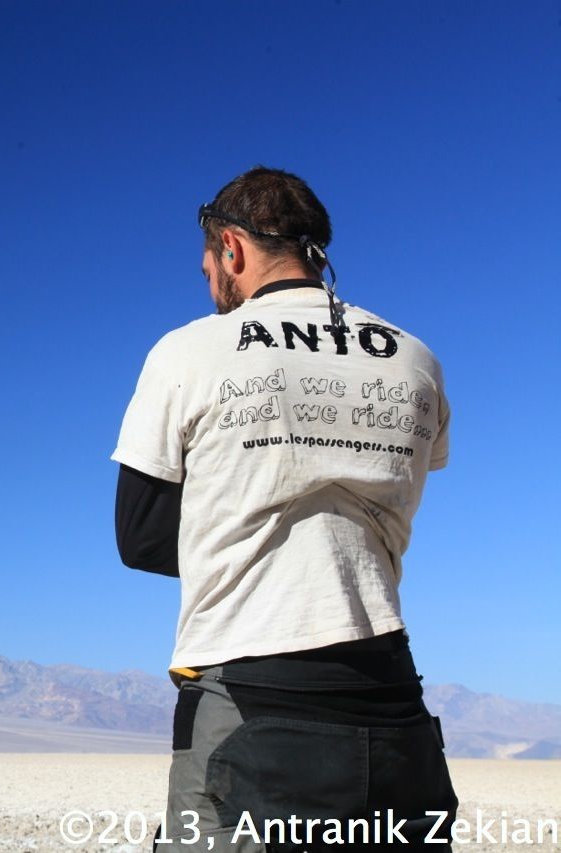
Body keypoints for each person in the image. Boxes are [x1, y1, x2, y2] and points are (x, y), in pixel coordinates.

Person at [111, 167, 458, 852]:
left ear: (231, 249)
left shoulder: (189, 351)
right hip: (392, 699)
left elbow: (142, 537)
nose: (210, 282)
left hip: (245, 692)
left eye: (209, 264)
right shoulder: (416, 358)